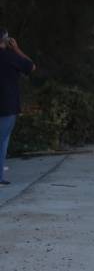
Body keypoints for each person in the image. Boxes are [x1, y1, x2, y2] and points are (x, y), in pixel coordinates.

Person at [0, 28, 35, 186]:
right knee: (2, 141)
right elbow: (31, 66)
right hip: (7, 105)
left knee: (3, 142)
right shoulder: (11, 57)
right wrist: (16, 49)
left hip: (7, 105)